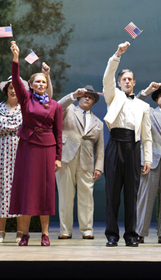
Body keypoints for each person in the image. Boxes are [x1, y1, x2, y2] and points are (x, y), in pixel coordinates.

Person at [8, 41, 63, 246]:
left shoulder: (55, 106)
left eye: (43, 82)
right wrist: (16, 58)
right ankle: (24, 234)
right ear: (30, 85)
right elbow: (15, 79)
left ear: (47, 84)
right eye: (37, 82)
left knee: (45, 191)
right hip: (28, 147)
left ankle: (45, 234)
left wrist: (58, 158)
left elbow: (58, 134)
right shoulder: (26, 99)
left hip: (48, 150)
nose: (40, 84)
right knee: (26, 190)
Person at [102, 42, 152, 248]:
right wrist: (117, 55)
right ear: (120, 82)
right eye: (124, 79)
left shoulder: (143, 105)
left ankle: (131, 235)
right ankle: (112, 235)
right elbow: (107, 78)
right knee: (112, 193)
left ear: (134, 82)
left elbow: (147, 135)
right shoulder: (113, 96)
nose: (128, 82)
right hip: (115, 145)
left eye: (130, 79)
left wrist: (147, 158)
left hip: (133, 147)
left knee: (132, 194)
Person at [0, 75, 30, 243]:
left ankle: (20, 232)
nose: (13, 90)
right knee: (1, 191)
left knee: (20, 191)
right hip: (2, 153)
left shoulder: (26, 109)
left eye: (16, 87)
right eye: (10, 87)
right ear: (6, 90)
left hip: (21, 152)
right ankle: (1, 231)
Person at [56, 85, 104, 240]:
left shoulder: (98, 123)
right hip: (66, 157)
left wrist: (99, 167)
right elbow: (57, 106)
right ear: (78, 98)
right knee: (65, 195)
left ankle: (87, 229)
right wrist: (72, 94)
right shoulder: (69, 110)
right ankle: (65, 230)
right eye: (84, 95)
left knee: (87, 197)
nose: (87, 98)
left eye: (90, 97)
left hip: (87, 161)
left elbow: (100, 148)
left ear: (94, 101)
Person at [136, 83, 161, 244]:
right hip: (151, 160)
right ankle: (139, 232)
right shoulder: (149, 113)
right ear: (156, 99)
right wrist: (147, 90)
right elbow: (137, 102)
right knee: (145, 197)